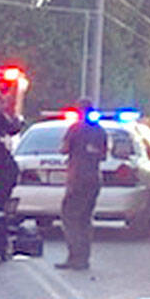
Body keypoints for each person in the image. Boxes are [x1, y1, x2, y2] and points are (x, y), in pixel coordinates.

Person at [57, 99, 107, 270]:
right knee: (85, 218)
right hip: (94, 178)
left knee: (70, 216)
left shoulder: (75, 129)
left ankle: (75, 257)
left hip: (77, 178)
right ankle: (84, 257)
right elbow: (103, 155)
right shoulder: (100, 131)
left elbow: (64, 149)